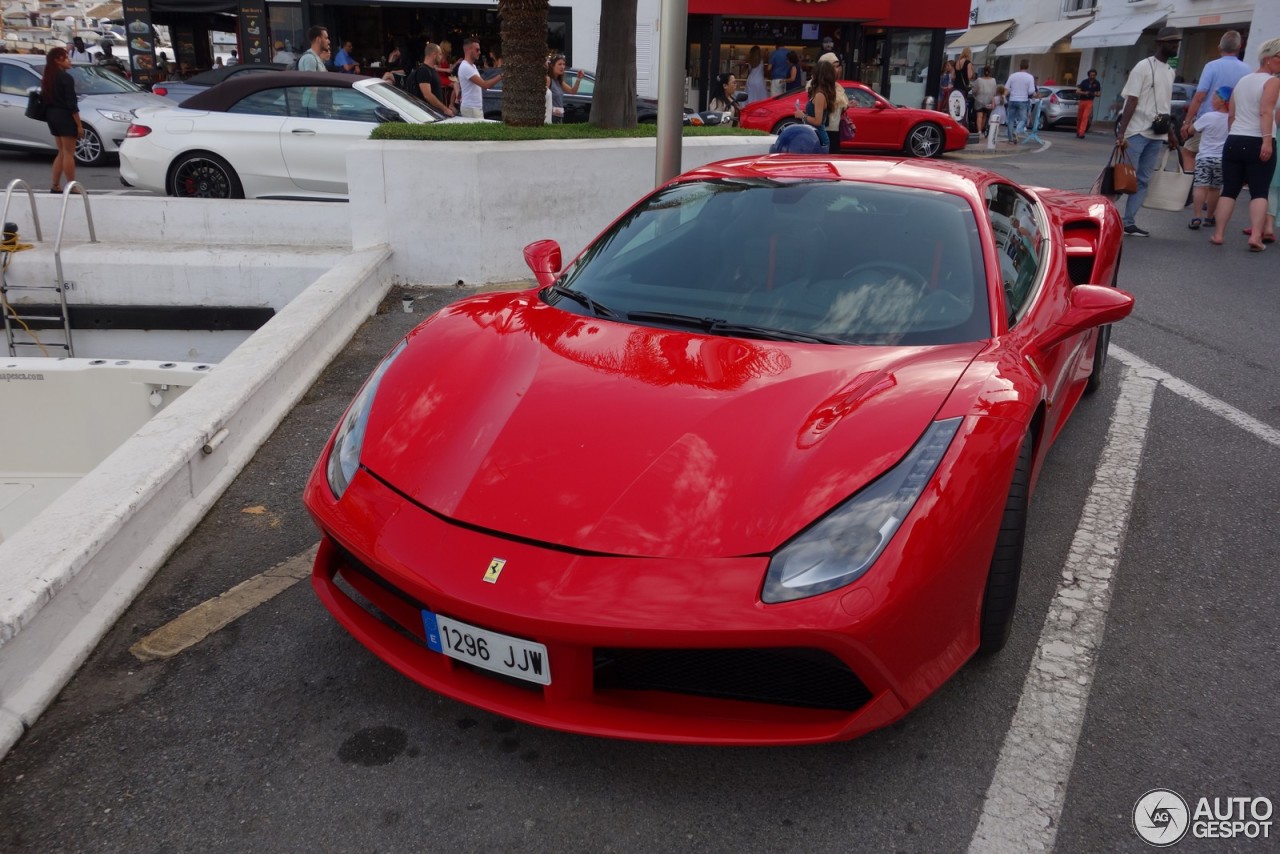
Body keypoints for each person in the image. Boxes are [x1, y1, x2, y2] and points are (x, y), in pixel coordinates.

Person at [1209, 39, 1280, 251]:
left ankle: (1219, 233)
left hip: (1235, 138)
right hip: (1258, 139)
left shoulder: (1243, 81)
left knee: (1229, 190)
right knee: (1259, 191)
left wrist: (1233, 135)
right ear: (1268, 59)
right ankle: (1256, 236)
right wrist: (1267, 139)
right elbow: (1266, 112)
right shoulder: (1272, 82)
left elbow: (1232, 114)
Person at [1114, 27, 1182, 237]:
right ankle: (1101, 215)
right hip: (1136, 132)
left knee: (1143, 180)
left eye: (1177, 43)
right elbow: (1131, 99)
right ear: (1160, 43)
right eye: (1171, 43)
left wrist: (1170, 133)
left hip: (1157, 135)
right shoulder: (1142, 67)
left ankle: (1129, 222)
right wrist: (1121, 132)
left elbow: (1164, 105)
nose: (1175, 46)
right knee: (1122, 179)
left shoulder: (1170, 72)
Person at [1180, 31, 1251, 172]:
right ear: (1239, 47)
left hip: (1208, 121)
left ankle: (1191, 184)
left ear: (1219, 47)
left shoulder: (1212, 66)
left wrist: (1187, 122)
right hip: (1232, 123)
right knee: (1221, 158)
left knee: (1189, 151)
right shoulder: (1247, 69)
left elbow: (1200, 96)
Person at [1185, 86, 1231, 230]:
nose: (1212, 100)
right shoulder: (1232, 119)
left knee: (1200, 186)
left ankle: (1197, 216)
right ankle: (1210, 217)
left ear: (1222, 101)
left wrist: (1189, 125)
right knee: (1214, 189)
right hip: (1222, 160)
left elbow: (1192, 130)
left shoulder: (1208, 117)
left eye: (1215, 97)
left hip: (1204, 157)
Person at [41, 47, 82, 194]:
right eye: (66, 57)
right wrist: (79, 125)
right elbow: (72, 104)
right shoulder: (66, 78)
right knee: (69, 153)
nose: (69, 60)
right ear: (57, 60)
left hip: (52, 116)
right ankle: (72, 185)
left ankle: (55, 184)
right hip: (65, 116)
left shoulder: (48, 77)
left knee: (61, 152)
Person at [794, 59, 836, 154]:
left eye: (815, 72)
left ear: (819, 75)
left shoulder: (820, 95)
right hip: (814, 137)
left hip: (818, 139)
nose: (812, 75)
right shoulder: (819, 92)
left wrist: (802, 115)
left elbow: (818, 121)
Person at [457, 38, 501, 119]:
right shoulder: (465, 67)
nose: (479, 52)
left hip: (474, 108)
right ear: (469, 50)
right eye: (477, 50)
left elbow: (484, 83)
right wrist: (501, 75)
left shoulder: (472, 66)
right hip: (471, 108)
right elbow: (485, 85)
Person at [408, 43, 453, 115]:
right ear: (434, 54)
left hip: (436, 114)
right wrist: (445, 109)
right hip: (429, 114)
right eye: (440, 54)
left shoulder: (432, 70)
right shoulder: (424, 71)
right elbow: (427, 95)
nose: (441, 57)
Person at [1004, 60, 1037, 142]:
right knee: (1023, 119)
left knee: (1011, 119)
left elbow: (1006, 88)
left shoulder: (1012, 76)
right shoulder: (1030, 77)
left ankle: (1010, 138)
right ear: (1027, 66)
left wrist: (1004, 95)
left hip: (1012, 99)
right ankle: (1017, 131)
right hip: (1023, 100)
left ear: (1020, 66)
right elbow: (1031, 91)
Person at [548, 54, 580, 123]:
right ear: (552, 66)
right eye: (559, 64)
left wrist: (578, 79)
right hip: (551, 117)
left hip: (559, 117)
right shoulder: (548, 79)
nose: (562, 67)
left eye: (563, 64)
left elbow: (572, 91)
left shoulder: (559, 81)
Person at [972, 65, 997, 136]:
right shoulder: (993, 80)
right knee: (985, 116)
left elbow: (974, 91)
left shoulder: (979, 80)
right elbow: (994, 92)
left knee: (979, 116)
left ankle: (979, 131)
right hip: (988, 100)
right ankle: (982, 130)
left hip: (979, 100)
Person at [1076, 69, 1101, 138]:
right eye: (1091, 75)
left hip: (1089, 101)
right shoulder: (1084, 82)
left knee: (1085, 117)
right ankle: (1078, 131)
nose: (1092, 76)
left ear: (1095, 75)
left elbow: (1099, 94)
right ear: (1088, 75)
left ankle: (1081, 133)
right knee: (1080, 117)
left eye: (1094, 75)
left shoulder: (1097, 83)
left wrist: (1093, 93)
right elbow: (1077, 91)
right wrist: (1085, 93)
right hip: (1082, 100)